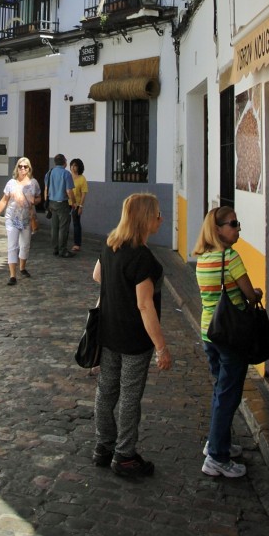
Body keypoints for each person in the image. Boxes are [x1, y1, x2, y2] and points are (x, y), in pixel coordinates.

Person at [92, 193, 172, 478]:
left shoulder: (111, 244)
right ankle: (124, 455)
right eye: (158, 214)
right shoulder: (141, 257)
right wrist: (161, 347)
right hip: (134, 338)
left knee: (106, 390)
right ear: (145, 219)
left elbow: (97, 276)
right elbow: (144, 304)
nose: (161, 219)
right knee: (129, 396)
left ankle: (104, 446)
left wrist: (118, 287)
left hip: (109, 331)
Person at [194, 207, 263, 479]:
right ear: (218, 229)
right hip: (230, 335)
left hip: (209, 332)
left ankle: (217, 441)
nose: (238, 228)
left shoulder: (202, 258)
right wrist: (256, 293)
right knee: (228, 394)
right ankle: (217, 457)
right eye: (233, 224)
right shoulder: (230, 257)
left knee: (220, 390)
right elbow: (249, 295)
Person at [0, 157, 41, 285]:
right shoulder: (11, 183)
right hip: (12, 218)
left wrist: (34, 201)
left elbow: (39, 198)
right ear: (17, 168)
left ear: (29, 169)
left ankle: (22, 268)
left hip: (27, 219)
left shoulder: (33, 183)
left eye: (25, 166)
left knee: (25, 245)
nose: (22, 168)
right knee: (12, 246)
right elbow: (4, 200)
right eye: (20, 166)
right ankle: (12, 275)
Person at [44, 153, 75, 258]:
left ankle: (55, 248)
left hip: (52, 203)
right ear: (64, 162)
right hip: (62, 203)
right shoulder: (66, 174)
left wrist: (46, 202)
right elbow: (69, 191)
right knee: (63, 228)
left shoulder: (49, 172)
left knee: (54, 227)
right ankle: (63, 250)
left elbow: (46, 189)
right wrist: (74, 202)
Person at [69, 157, 88, 252]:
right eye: (72, 165)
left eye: (75, 165)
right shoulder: (68, 176)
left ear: (79, 167)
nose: (73, 167)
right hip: (66, 203)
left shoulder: (82, 178)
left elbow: (84, 193)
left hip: (76, 205)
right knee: (65, 223)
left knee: (76, 224)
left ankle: (77, 244)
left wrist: (80, 206)